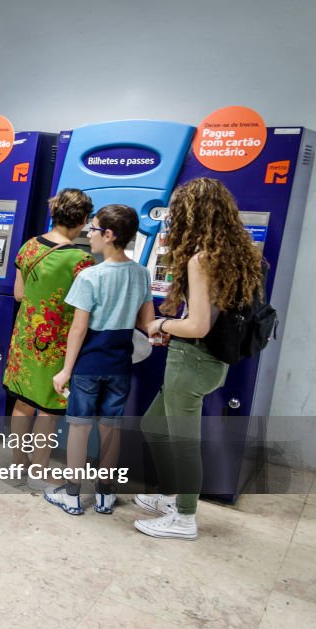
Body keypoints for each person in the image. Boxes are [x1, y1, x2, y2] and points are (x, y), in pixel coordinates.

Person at [136, 178, 262, 540]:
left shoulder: (199, 259)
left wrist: (161, 323)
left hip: (192, 362)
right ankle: (172, 497)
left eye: (177, 210)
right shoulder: (231, 253)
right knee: (152, 425)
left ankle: (184, 516)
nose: (172, 217)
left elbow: (199, 325)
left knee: (183, 443)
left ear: (194, 214)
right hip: (206, 362)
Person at [46, 204, 153, 515]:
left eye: (93, 229)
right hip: (121, 363)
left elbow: (78, 328)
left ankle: (72, 494)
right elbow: (147, 321)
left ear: (109, 235)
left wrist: (65, 370)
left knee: (79, 428)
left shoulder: (90, 276)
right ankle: (105, 494)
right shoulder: (142, 274)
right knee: (110, 428)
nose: (88, 234)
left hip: (90, 363)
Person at [4, 189, 95, 490]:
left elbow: (18, 294)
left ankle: (18, 465)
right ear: (82, 221)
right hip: (56, 343)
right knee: (48, 409)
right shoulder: (82, 260)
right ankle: (38, 469)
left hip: (25, 338)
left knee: (22, 403)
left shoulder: (29, 247)